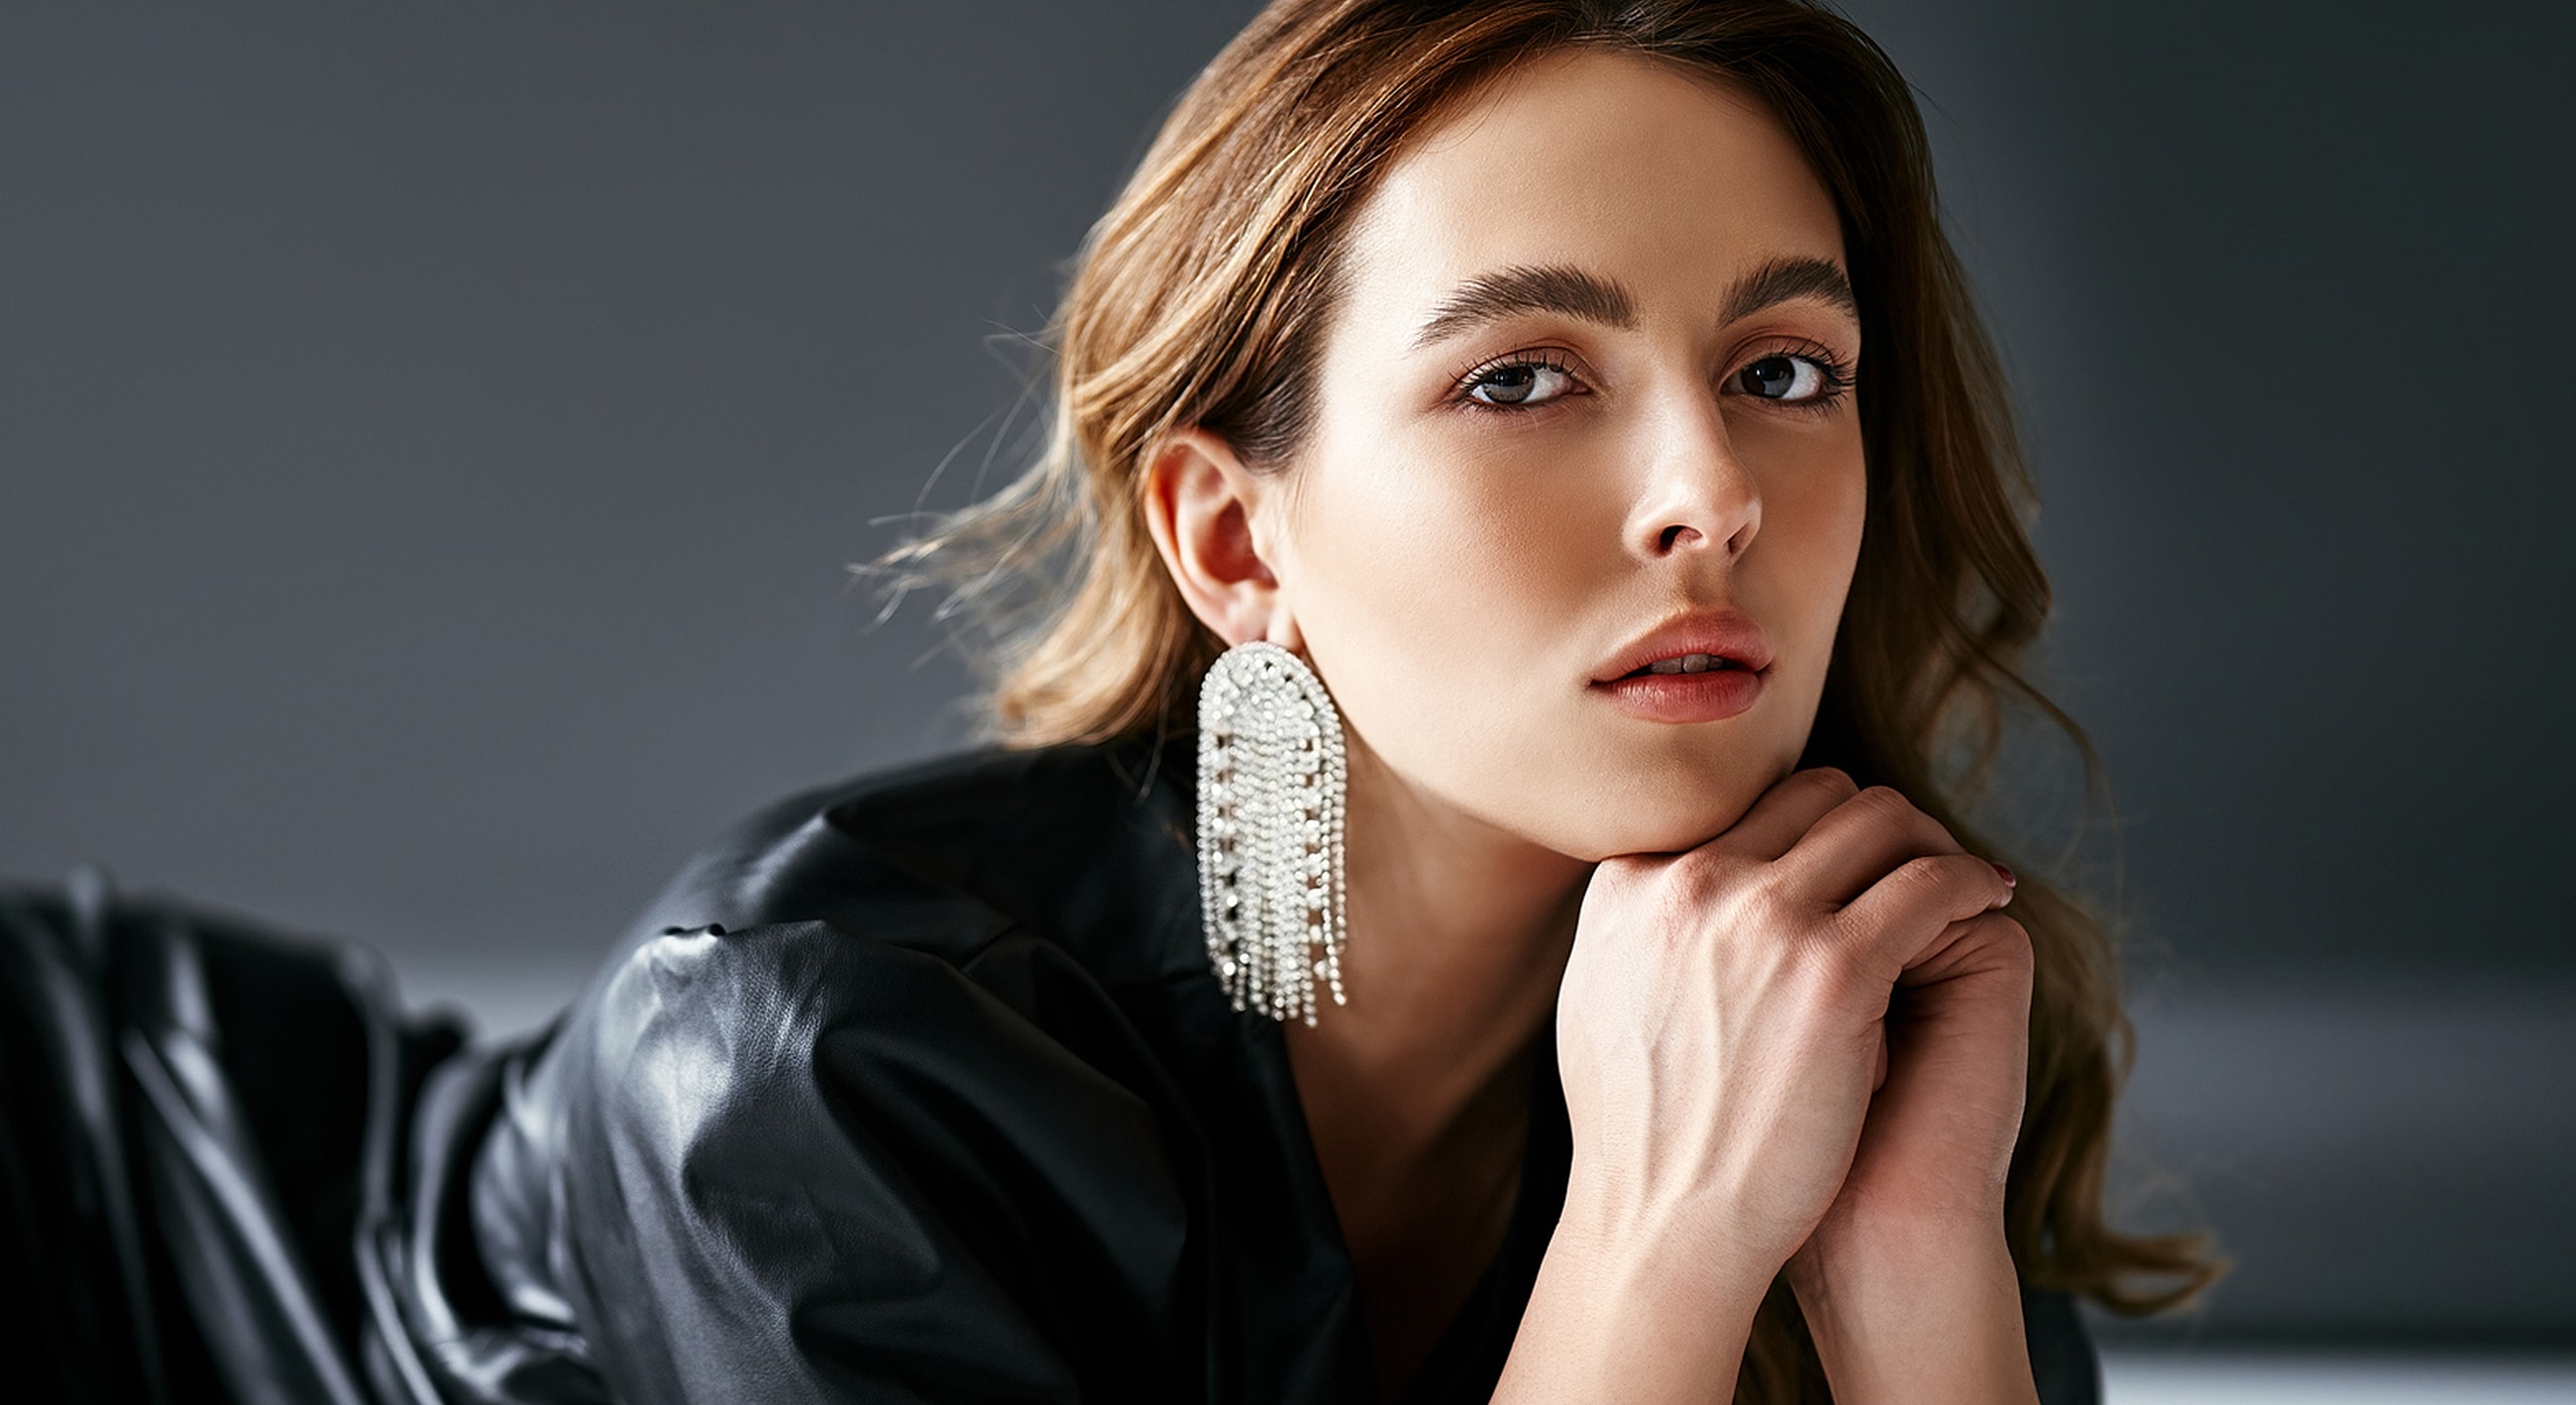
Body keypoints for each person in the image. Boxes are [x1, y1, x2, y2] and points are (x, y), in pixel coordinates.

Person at [0, 2, 2218, 1402]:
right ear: (1235, 541)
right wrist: (1664, 1242)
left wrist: (1912, 1274)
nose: (1710, 492)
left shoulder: (1807, 1007)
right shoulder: (816, 1064)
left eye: (1786, 371)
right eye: (1523, 377)